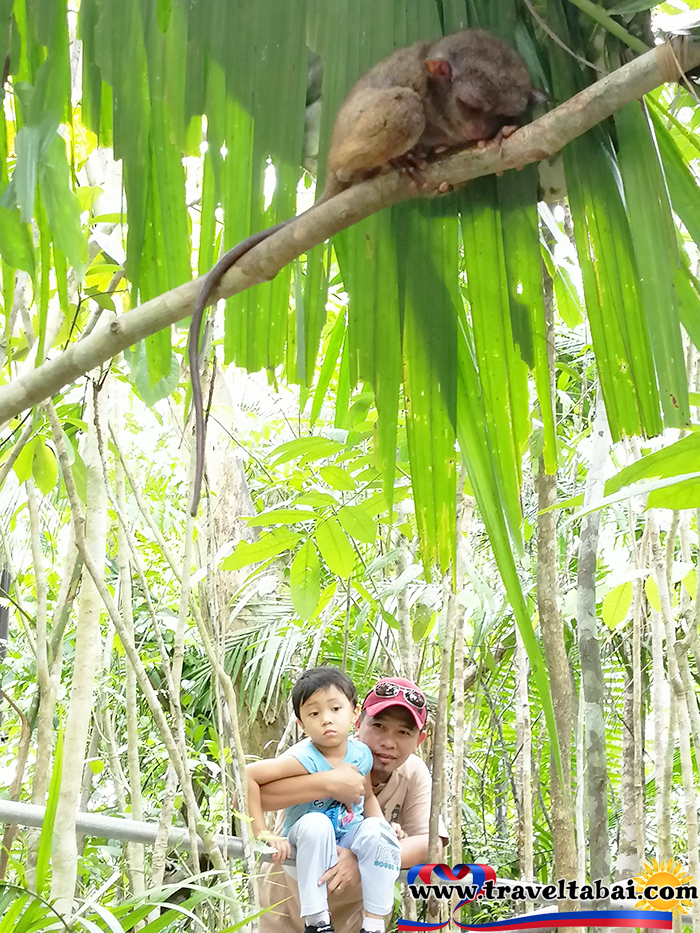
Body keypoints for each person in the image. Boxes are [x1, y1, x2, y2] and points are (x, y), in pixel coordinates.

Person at [256, 675, 431, 933]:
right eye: (379, 726)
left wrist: (361, 858)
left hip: (354, 917)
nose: (388, 742)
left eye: (403, 732)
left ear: (419, 740)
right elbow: (250, 795)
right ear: (358, 721)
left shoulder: (413, 773)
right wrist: (327, 783)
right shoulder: (318, 753)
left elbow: (430, 843)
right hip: (287, 904)